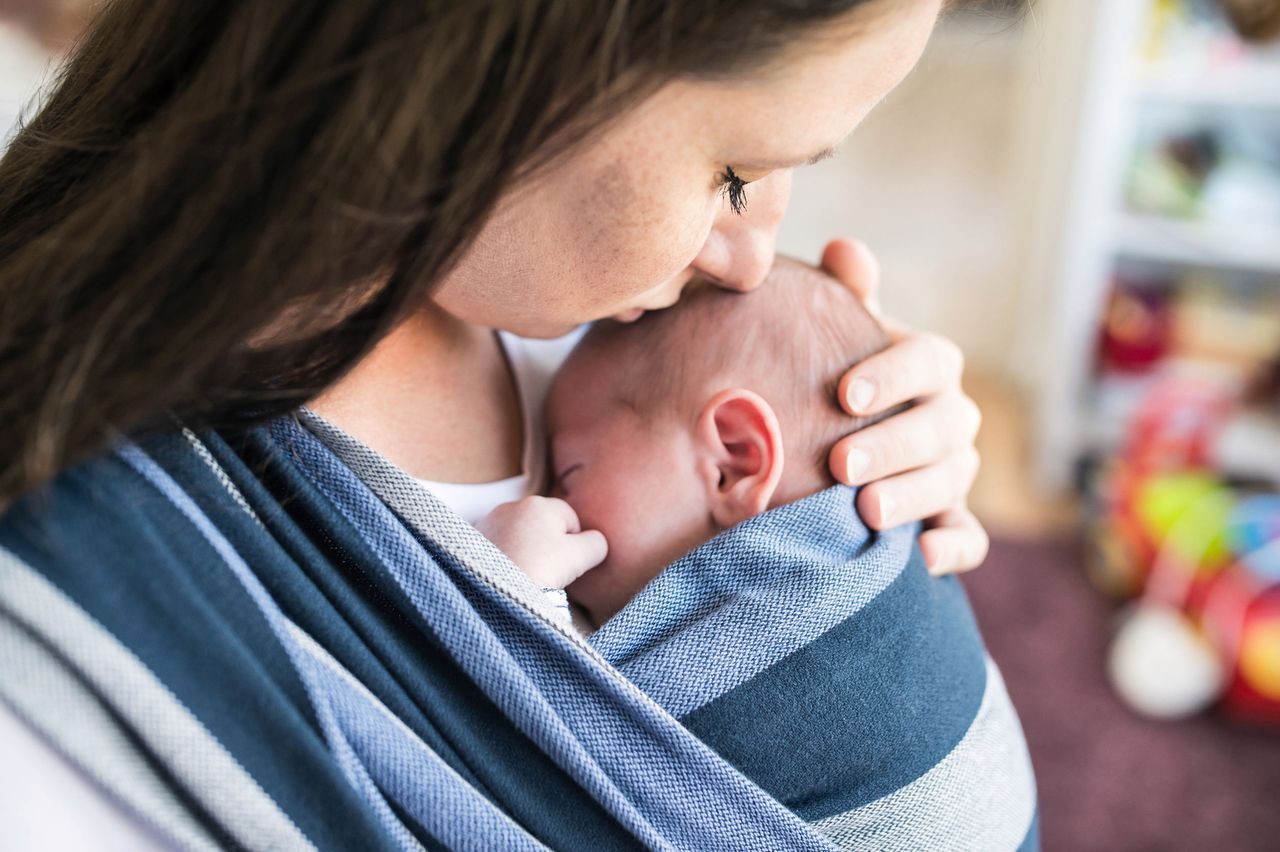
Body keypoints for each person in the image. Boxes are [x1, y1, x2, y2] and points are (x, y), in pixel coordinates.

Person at [0, 0, 992, 848]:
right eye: (735, 174)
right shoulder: (81, 651)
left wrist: (854, 455)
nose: (746, 262)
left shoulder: (565, 313)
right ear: (509, 70)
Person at [480, 259, 1039, 849]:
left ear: (733, 460)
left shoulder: (863, 531)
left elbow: (552, 769)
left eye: (569, 472)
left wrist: (511, 598)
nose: (544, 499)